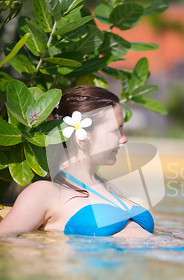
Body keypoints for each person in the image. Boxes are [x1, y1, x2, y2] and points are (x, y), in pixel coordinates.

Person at [0, 86, 154, 238]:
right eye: (115, 130)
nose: (124, 139)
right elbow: (6, 241)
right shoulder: (44, 193)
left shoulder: (109, 188)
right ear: (83, 135)